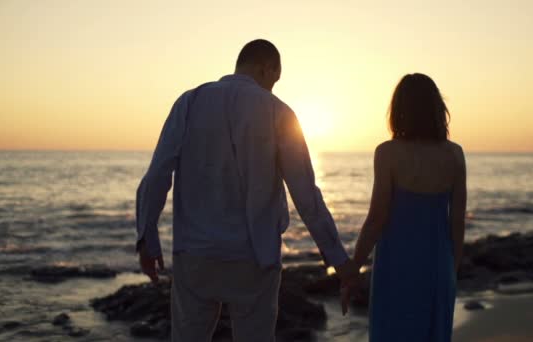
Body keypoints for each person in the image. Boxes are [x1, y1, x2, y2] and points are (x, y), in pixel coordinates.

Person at [135, 39, 359, 342]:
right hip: (255, 257)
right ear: (267, 68)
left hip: (195, 255)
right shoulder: (279, 112)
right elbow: (306, 194)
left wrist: (146, 238)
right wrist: (338, 259)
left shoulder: (189, 101)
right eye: (274, 80)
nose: (272, 88)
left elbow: (157, 175)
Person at [341, 73, 466, 341]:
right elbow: (457, 223)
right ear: (436, 108)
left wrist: (353, 269)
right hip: (438, 268)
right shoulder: (454, 154)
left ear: (399, 110)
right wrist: (450, 272)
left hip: (397, 269)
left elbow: (376, 219)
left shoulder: (388, 153)